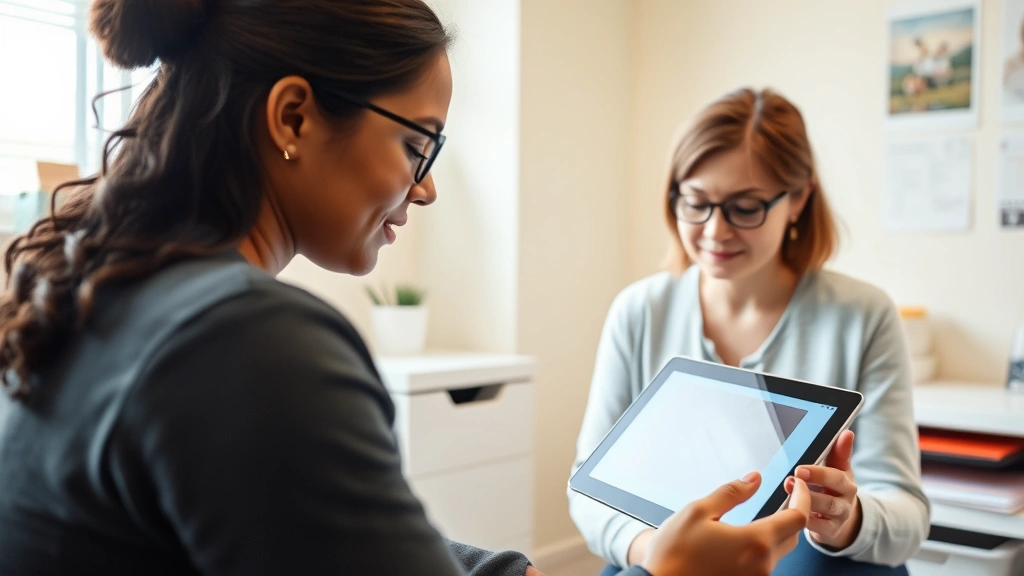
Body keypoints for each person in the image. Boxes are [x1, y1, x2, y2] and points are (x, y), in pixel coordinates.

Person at [0, 1, 812, 575]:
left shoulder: (91, 287)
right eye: (418, 145)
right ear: (292, 118)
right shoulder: (244, 342)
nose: (424, 190)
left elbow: (324, 536)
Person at [569, 88, 929, 575]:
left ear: (799, 198)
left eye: (745, 207)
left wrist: (846, 520)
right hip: (664, 549)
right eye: (695, 203)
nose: (716, 231)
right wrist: (658, 554)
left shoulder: (864, 315)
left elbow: (906, 512)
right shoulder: (639, 310)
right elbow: (590, 489)